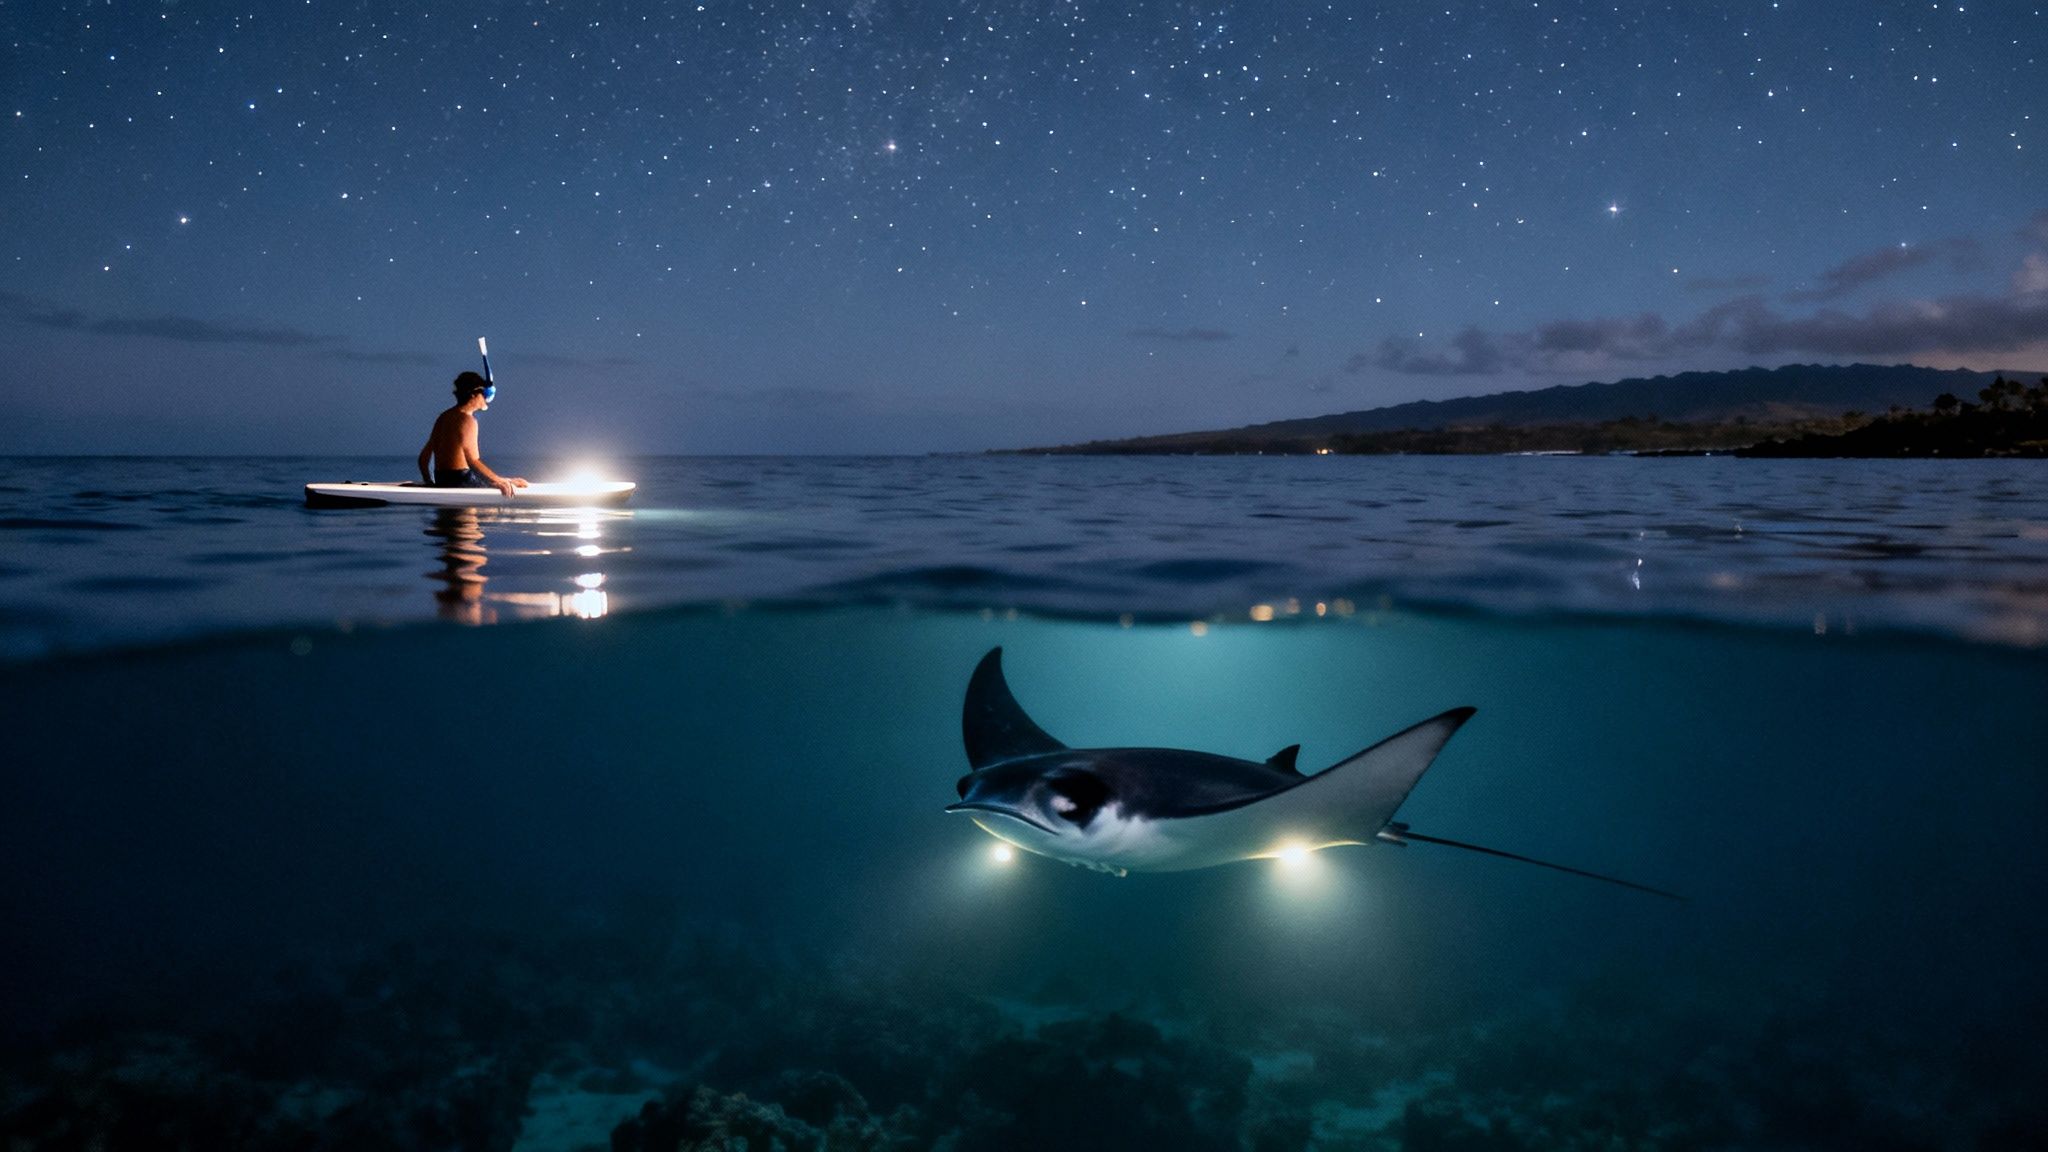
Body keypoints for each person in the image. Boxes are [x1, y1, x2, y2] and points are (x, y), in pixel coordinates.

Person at [418, 371, 528, 496]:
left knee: (498, 482)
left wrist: (429, 483)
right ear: (473, 395)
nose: (486, 399)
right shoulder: (467, 420)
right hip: (462, 481)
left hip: (442, 480)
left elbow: (423, 459)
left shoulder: (443, 417)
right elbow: (473, 461)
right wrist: (499, 481)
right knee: (494, 511)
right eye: (484, 394)